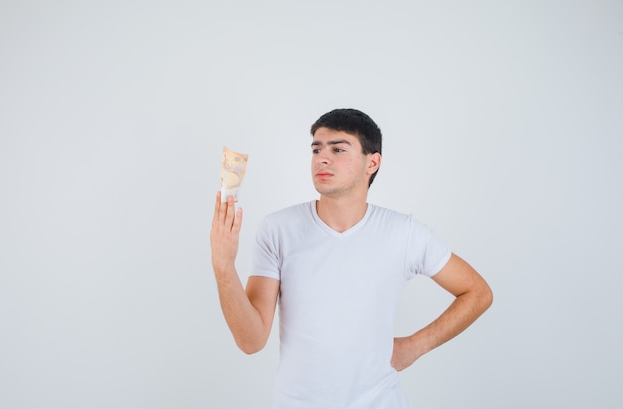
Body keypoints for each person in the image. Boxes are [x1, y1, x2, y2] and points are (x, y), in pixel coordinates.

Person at [210, 108, 493, 409]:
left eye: (338, 149)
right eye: (316, 148)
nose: (322, 158)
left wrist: (415, 346)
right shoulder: (278, 229)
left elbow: (477, 293)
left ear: (372, 162)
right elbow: (251, 341)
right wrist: (224, 267)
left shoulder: (404, 233)